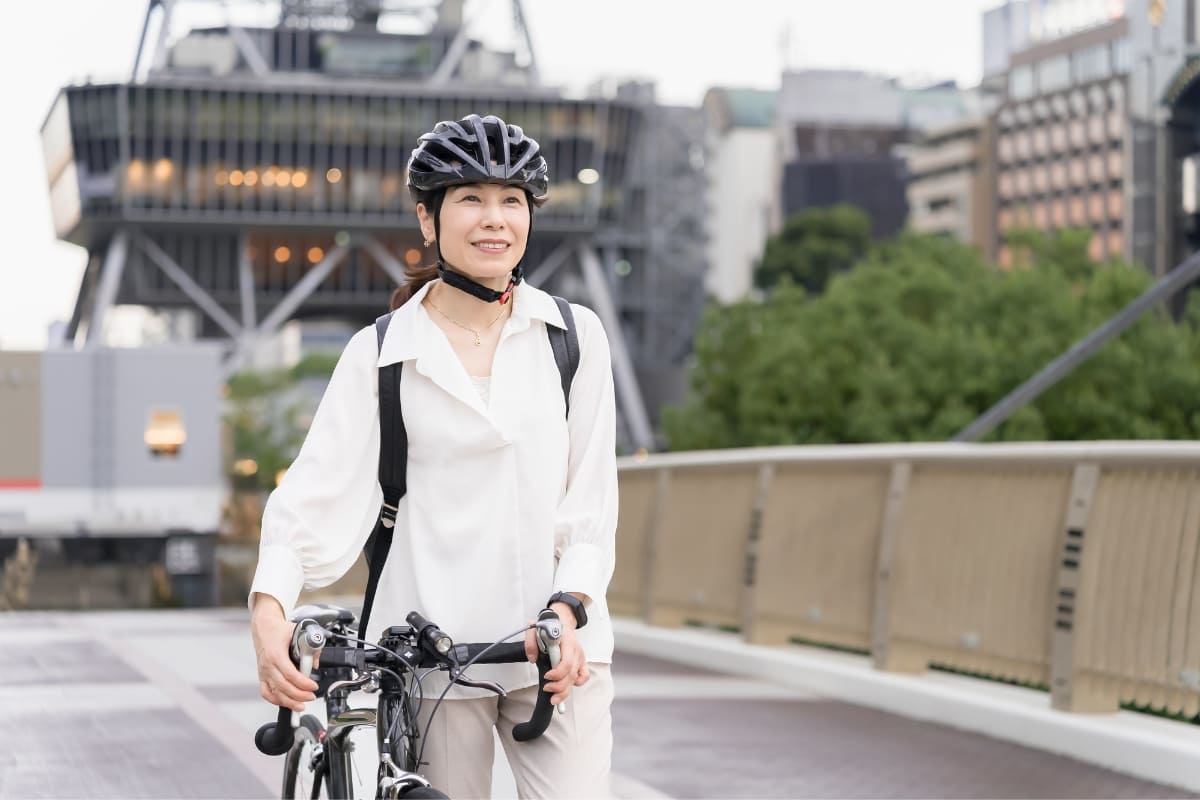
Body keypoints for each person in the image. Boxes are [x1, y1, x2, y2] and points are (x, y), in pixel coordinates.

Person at [247, 113, 618, 799]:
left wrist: (568, 612)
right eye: (470, 199)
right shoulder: (382, 354)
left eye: (512, 201)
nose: (495, 219)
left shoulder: (573, 338)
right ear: (428, 219)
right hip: (432, 656)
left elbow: (591, 508)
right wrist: (269, 612)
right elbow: (313, 497)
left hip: (555, 653)